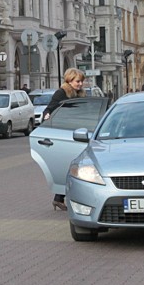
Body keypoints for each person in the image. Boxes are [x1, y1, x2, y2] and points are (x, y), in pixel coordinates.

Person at [43, 68, 87, 211]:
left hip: (78, 133)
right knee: (72, 167)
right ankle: (62, 198)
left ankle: (59, 198)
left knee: (75, 167)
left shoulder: (81, 94)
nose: (80, 84)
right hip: (65, 134)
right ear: (69, 80)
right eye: (77, 81)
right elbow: (50, 109)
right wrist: (47, 115)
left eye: (81, 81)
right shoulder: (61, 93)